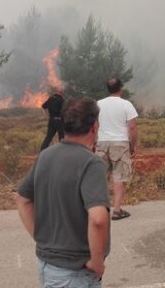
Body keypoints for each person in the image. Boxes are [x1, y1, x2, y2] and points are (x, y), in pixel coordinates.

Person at [15, 97, 110, 287]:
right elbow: (98, 220)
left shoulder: (45, 156)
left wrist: (43, 240)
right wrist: (97, 263)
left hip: (47, 266)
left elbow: (21, 199)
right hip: (75, 274)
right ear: (94, 126)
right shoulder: (91, 163)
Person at [96, 78, 139, 221]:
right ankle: (117, 210)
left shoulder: (98, 104)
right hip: (120, 144)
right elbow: (132, 127)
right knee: (119, 176)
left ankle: (98, 209)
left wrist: (93, 142)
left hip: (101, 143)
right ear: (121, 88)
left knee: (100, 177)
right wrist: (133, 145)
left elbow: (94, 125)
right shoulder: (126, 104)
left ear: (108, 89)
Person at [39, 87, 65, 151]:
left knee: (48, 137)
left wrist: (46, 115)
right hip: (59, 121)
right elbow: (64, 111)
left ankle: (42, 151)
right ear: (62, 93)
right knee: (61, 137)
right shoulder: (62, 100)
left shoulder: (50, 98)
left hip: (51, 120)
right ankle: (62, 151)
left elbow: (43, 107)